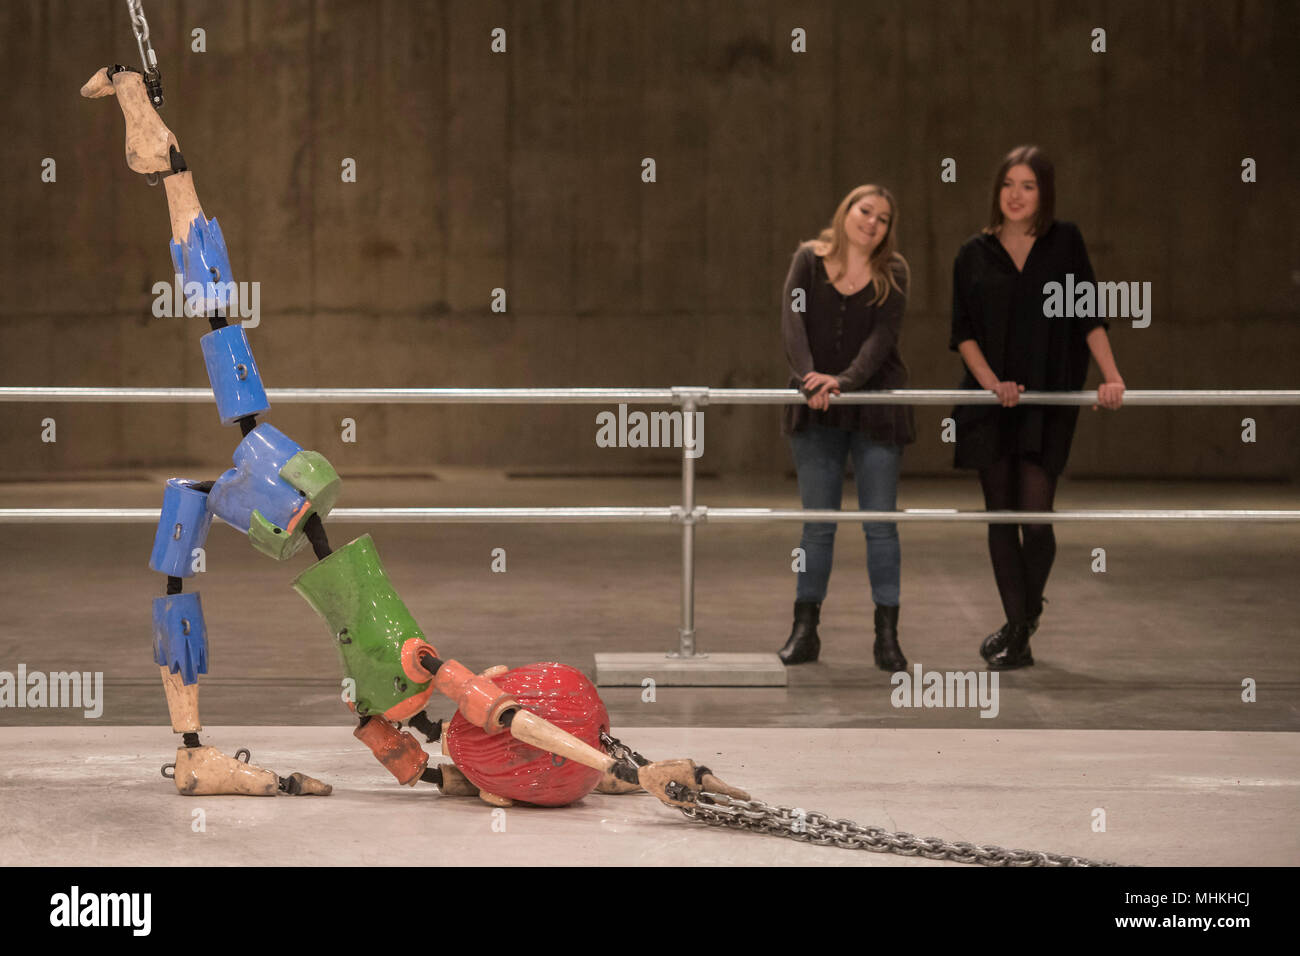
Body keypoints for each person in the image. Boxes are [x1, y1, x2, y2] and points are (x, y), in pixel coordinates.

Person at [949, 145, 1125, 670]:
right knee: (1001, 518)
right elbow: (963, 334)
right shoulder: (972, 254)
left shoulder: (1064, 243)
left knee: (1037, 519)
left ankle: (1021, 618)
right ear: (996, 191)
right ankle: (1020, 638)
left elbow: (1089, 316)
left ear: (1043, 192)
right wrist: (991, 384)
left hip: (1047, 401)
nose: (1016, 195)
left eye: (1028, 185)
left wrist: (1111, 376)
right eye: (1008, 184)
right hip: (989, 401)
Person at [778, 185, 916, 670]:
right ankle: (805, 629)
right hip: (816, 406)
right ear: (846, 212)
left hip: (875, 406)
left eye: (882, 217)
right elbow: (792, 319)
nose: (871, 222)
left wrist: (844, 381)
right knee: (818, 525)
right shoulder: (808, 260)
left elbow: (884, 338)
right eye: (864, 210)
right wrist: (808, 379)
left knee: (881, 525)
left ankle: (887, 636)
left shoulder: (892, 272)